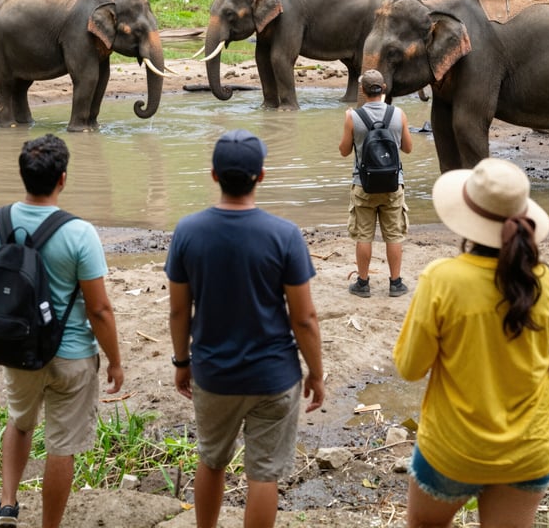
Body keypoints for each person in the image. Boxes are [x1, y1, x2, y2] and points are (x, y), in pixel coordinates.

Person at [394, 158, 549, 528]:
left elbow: (410, 368)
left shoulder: (441, 279)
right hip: (529, 449)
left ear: (466, 217)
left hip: (453, 447)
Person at [165, 129, 325, 528]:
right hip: (273, 376)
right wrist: (317, 373)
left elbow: (178, 312)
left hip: (213, 372)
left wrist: (181, 361)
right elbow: (303, 318)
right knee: (263, 472)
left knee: (211, 459)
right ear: (262, 176)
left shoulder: (188, 231)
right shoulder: (284, 235)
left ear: (214, 175)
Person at [0, 133, 123, 528]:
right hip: (71, 354)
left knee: (20, 421)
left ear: (23, 175)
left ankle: (7, 506)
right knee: (63, 446)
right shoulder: (80, 233)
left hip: (17, 349)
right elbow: (100, 309)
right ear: (63, 179)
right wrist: (115, 361)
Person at [339, 69, 413, 298]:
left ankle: (363, 283)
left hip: (363, 184)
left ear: (362, 90)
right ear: (384, 88)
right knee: (394, 235)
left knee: (364, 235)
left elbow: (343, 151)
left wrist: (348, 121)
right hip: (393, 184)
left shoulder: (353, 117)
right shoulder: (398, 114)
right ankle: (395, 283)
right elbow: (408, 149)